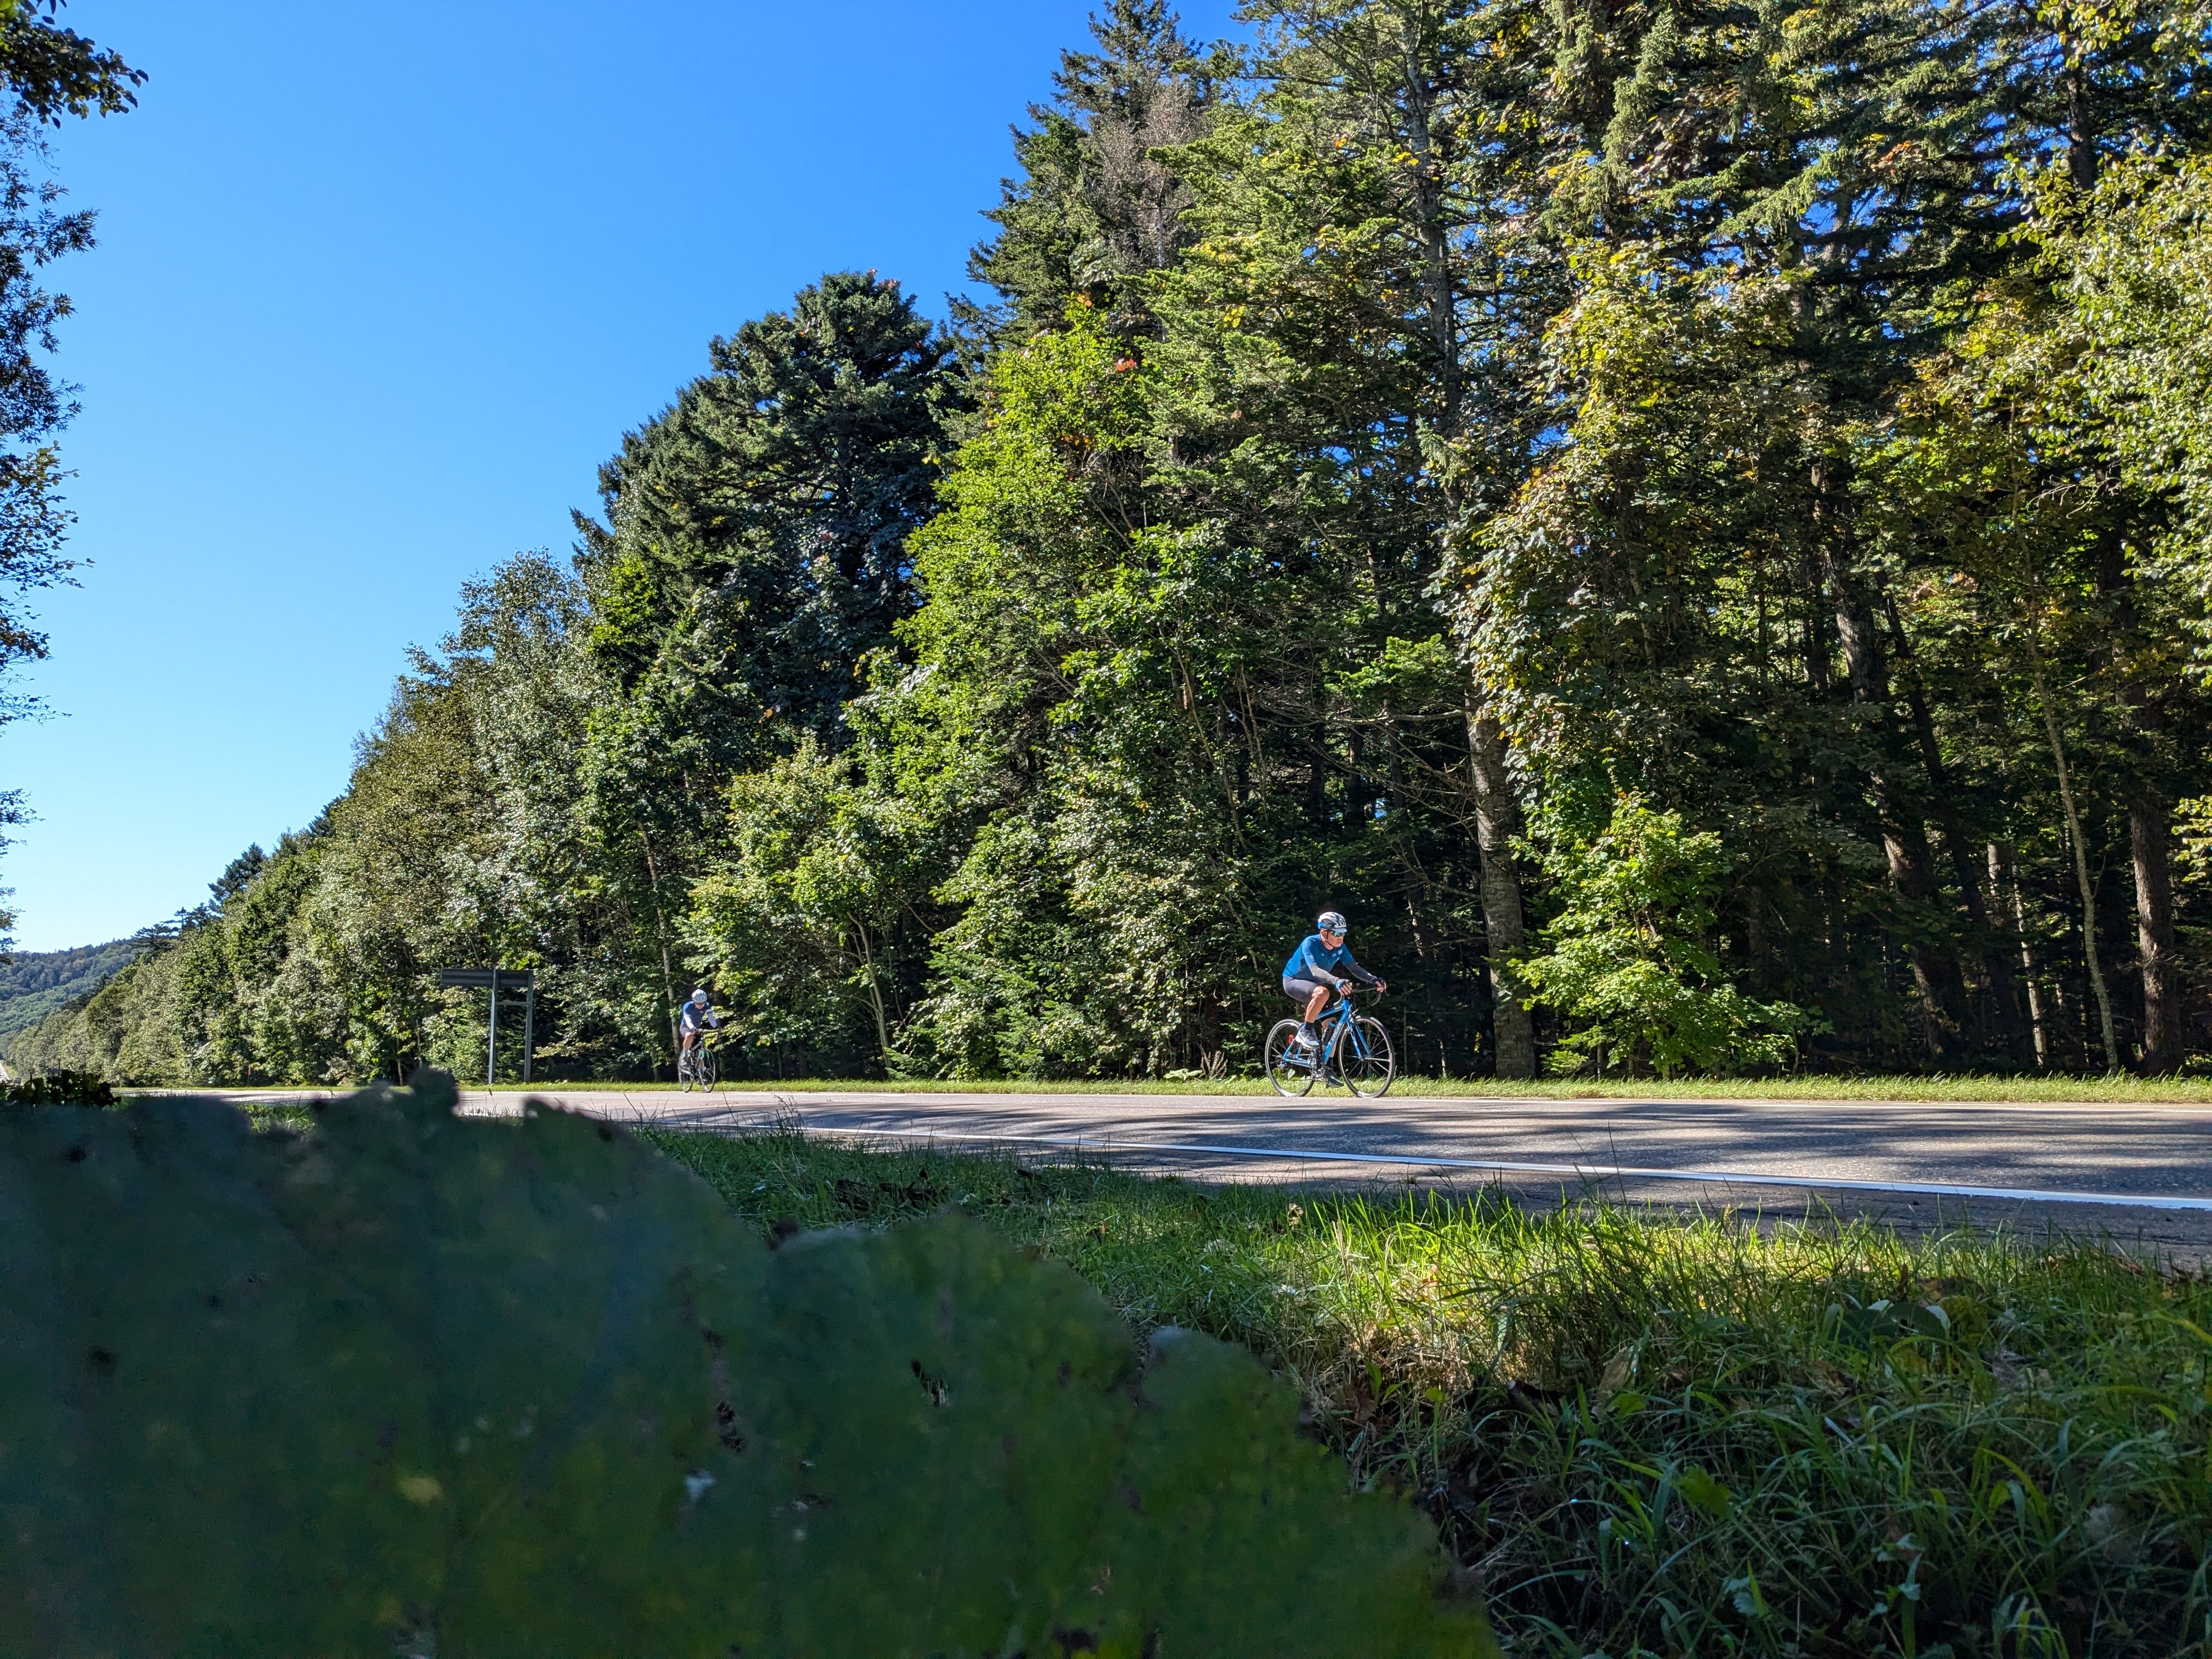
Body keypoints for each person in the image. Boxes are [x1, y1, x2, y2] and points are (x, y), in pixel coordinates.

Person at [1282, 911, 1385, 1054]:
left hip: (1315, 987)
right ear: (1324, 933)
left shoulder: (1340, 948)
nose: (1340, 938)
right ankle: (1306, 1031)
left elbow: (1354, 968)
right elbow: (1315, 971)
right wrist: (1336, 981)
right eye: (1336, 934)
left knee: (1333, 1028)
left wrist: (1373, 979)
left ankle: (1326, 1069)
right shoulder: (1310, 943)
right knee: (1323, 992)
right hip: (1294, 981)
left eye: (1342, 934)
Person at [677, 988, 719, 1068]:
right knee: (689, 1035)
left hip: (697, 1027)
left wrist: (716, 1027)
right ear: (694, 1001)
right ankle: (685, 1057)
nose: (701, 1005)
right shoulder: (688, 1006)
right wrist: (692, 1028)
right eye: (698, 1003)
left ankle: (702, 1074)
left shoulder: (707, 1006)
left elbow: (711, 1018)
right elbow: (688, 1019)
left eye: (702, 1003)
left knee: (700, 1051)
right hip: (686, 1026)